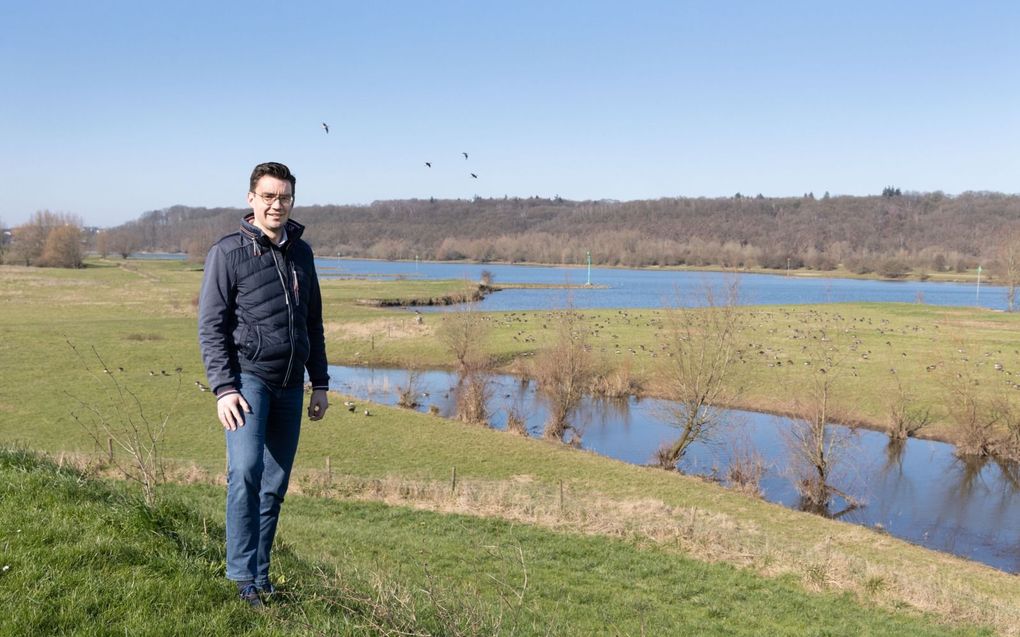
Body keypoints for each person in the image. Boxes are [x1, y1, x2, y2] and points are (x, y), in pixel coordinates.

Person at [198, 161, 330, 607]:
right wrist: (223, 388)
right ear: (251, 198)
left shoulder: (303, 253)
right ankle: (240, 579)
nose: (277, 204)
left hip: (292, 385)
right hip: (247, 382)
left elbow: (313, 322)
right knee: (246, 471)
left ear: (292, 201)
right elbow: (211, 326)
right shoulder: (228, 252)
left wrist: (322, 383)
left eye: (285, 197)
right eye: (269, 196)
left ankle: (261, 575)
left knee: (274, 484)